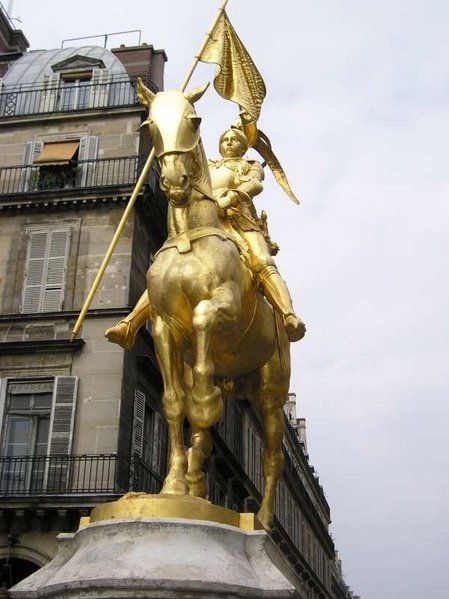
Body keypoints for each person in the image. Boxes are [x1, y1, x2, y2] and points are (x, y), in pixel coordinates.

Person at [105, 126, 305, 349]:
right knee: (167, 270)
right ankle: (130, 325)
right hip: (207, 223)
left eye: (234, 139)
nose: (228, 142)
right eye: (225, 139)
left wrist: (232, 196)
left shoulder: (249, 164)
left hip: (239, 222)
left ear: (243, 145)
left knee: (262, 261)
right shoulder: (209, 166)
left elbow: (255, 183)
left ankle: (288, 315)